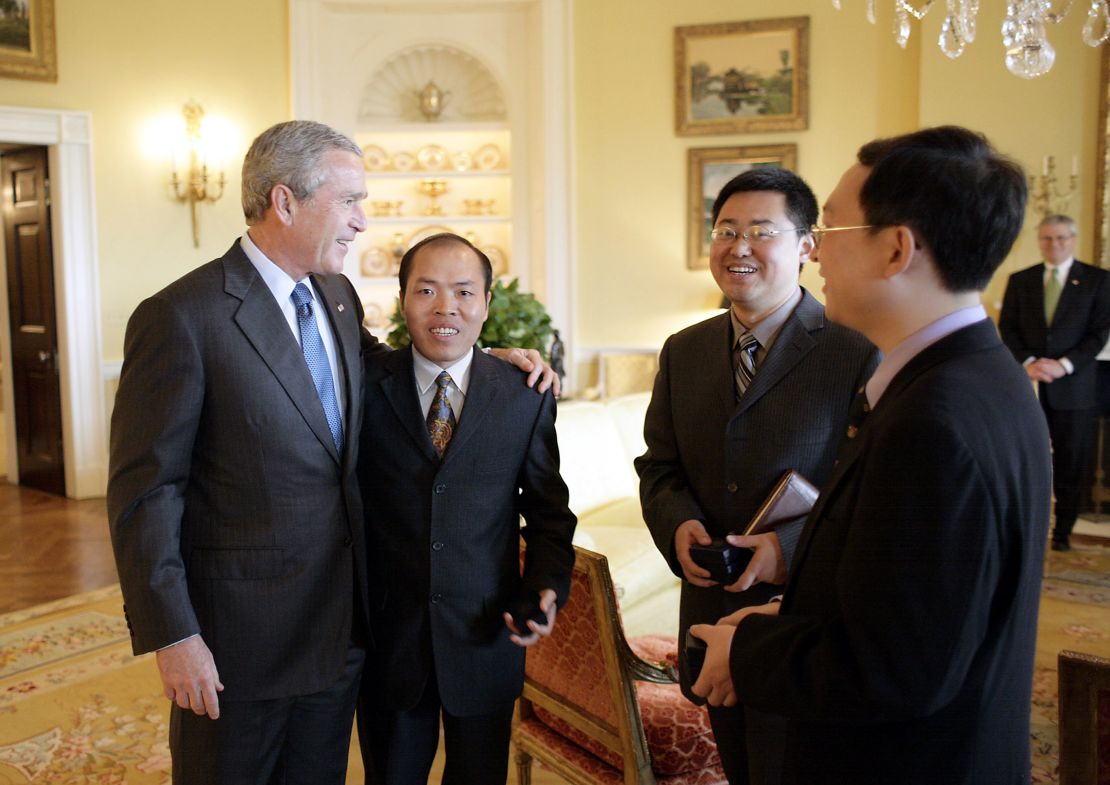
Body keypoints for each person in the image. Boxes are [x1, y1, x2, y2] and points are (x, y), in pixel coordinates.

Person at [107, 121, 555, 785]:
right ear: (286, 202)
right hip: (241, 643)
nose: (362, 222)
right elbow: (147, 492)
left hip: (342, 635)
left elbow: (391, 373)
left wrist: (481, 361)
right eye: (349, 201)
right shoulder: (182, 316)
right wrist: (174, 634)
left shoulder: (337, 296)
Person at [690, 126, 1052, 785]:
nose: (816, 250)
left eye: (829, 227)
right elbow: (920, 604)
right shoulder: (984, 376)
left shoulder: (935, 422)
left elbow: (892, 669)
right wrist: (791, 613)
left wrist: (748, 651)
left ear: (895, 248)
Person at [635, 167, 877, 784]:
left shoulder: (856, 349)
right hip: (710, 611)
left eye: (761, 232)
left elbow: (870, 491)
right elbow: (658, 466)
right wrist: (677, 524)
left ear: (806, 246)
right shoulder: (683, 350)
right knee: (740, 765)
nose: (738, 247)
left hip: (804, 620)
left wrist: (783, 550)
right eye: (725, 230)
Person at [355, 232, 577, 785]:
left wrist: (546, 587)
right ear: (403, 299)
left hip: (484, 640)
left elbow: (550, 515)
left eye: (462, 291)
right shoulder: (361, 388)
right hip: (389, 641)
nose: (445, 307)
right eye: (426, 290)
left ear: (486, 303)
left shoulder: (524, 394)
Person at [998, 213, 1110, 551]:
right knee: (1025, 460)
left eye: (1061, 238)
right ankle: (1024, 529)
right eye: (1047, 238)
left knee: (1070, 463)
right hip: (1028, 386)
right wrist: (1030, 363)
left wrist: (1063, 365)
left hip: (1074, 389)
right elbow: (1009, 328)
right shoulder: (1021, 279)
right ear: (1040, 241)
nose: (1054, 244)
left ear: (1072, 240)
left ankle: (1062, 534)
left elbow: (1099, 333)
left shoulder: (1097, 281)